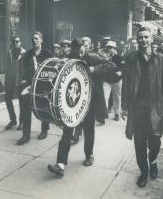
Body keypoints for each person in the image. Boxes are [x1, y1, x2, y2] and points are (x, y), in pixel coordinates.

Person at [47, 38, 116, 177]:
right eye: (77, 50)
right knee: (67, 132)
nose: (80, 53)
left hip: (89, 101)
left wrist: (94, 69)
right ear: (73, 50)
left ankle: (89, 155)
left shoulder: (93, 57)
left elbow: (112, 64)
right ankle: (60, 164)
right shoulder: (69, 59)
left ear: (86, 47)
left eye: (82, 49)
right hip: (73, 102)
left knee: (89, 130)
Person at [122, 27, 163, 188]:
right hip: (137, 107)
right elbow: (126, 83)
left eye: (146, 37)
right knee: (139, 143)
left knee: (155, 141)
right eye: (140, 38)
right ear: (137, 40)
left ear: (151, 39)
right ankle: (143, 172)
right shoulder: (132, 59)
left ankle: (153, 160)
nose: (143, 40)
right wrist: (124, 106)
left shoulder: (161, 59)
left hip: (156, 107)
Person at [17, 31, 52, 145]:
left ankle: (44, 130)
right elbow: (24, 70)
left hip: (43, 85)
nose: (34, 40)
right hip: (30, 84)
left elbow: (52, 70)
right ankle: (26, 135)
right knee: (26, 108)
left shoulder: (48, 54)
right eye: (33, 38)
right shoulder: (27, 54)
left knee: (44, 107)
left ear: (41, 40)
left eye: (36, 38)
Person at [4, 36, 26, 130]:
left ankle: (22, 122)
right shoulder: (9, 53)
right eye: (14, 42)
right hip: (10, 80)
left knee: (21, 102)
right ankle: (13, 120)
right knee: (8, 99)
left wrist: (25, 79)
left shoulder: (24, 53)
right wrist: (6, 81)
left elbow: (26, 68)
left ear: (20, 42)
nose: (15, 43)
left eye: (17, 41)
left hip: (20, 80)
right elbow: (7, 68)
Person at [103, 41, 122, 121]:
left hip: (116, 80)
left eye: (111, 48)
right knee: (105, 97)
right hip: (107, 80)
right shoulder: (103, 57)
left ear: (114, 49)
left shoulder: (119, 57)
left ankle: (117, 113)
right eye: (108, 48)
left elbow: (124, 67)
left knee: (117, 97)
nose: (110, 49)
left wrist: (121, 71)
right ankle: (104, 114)